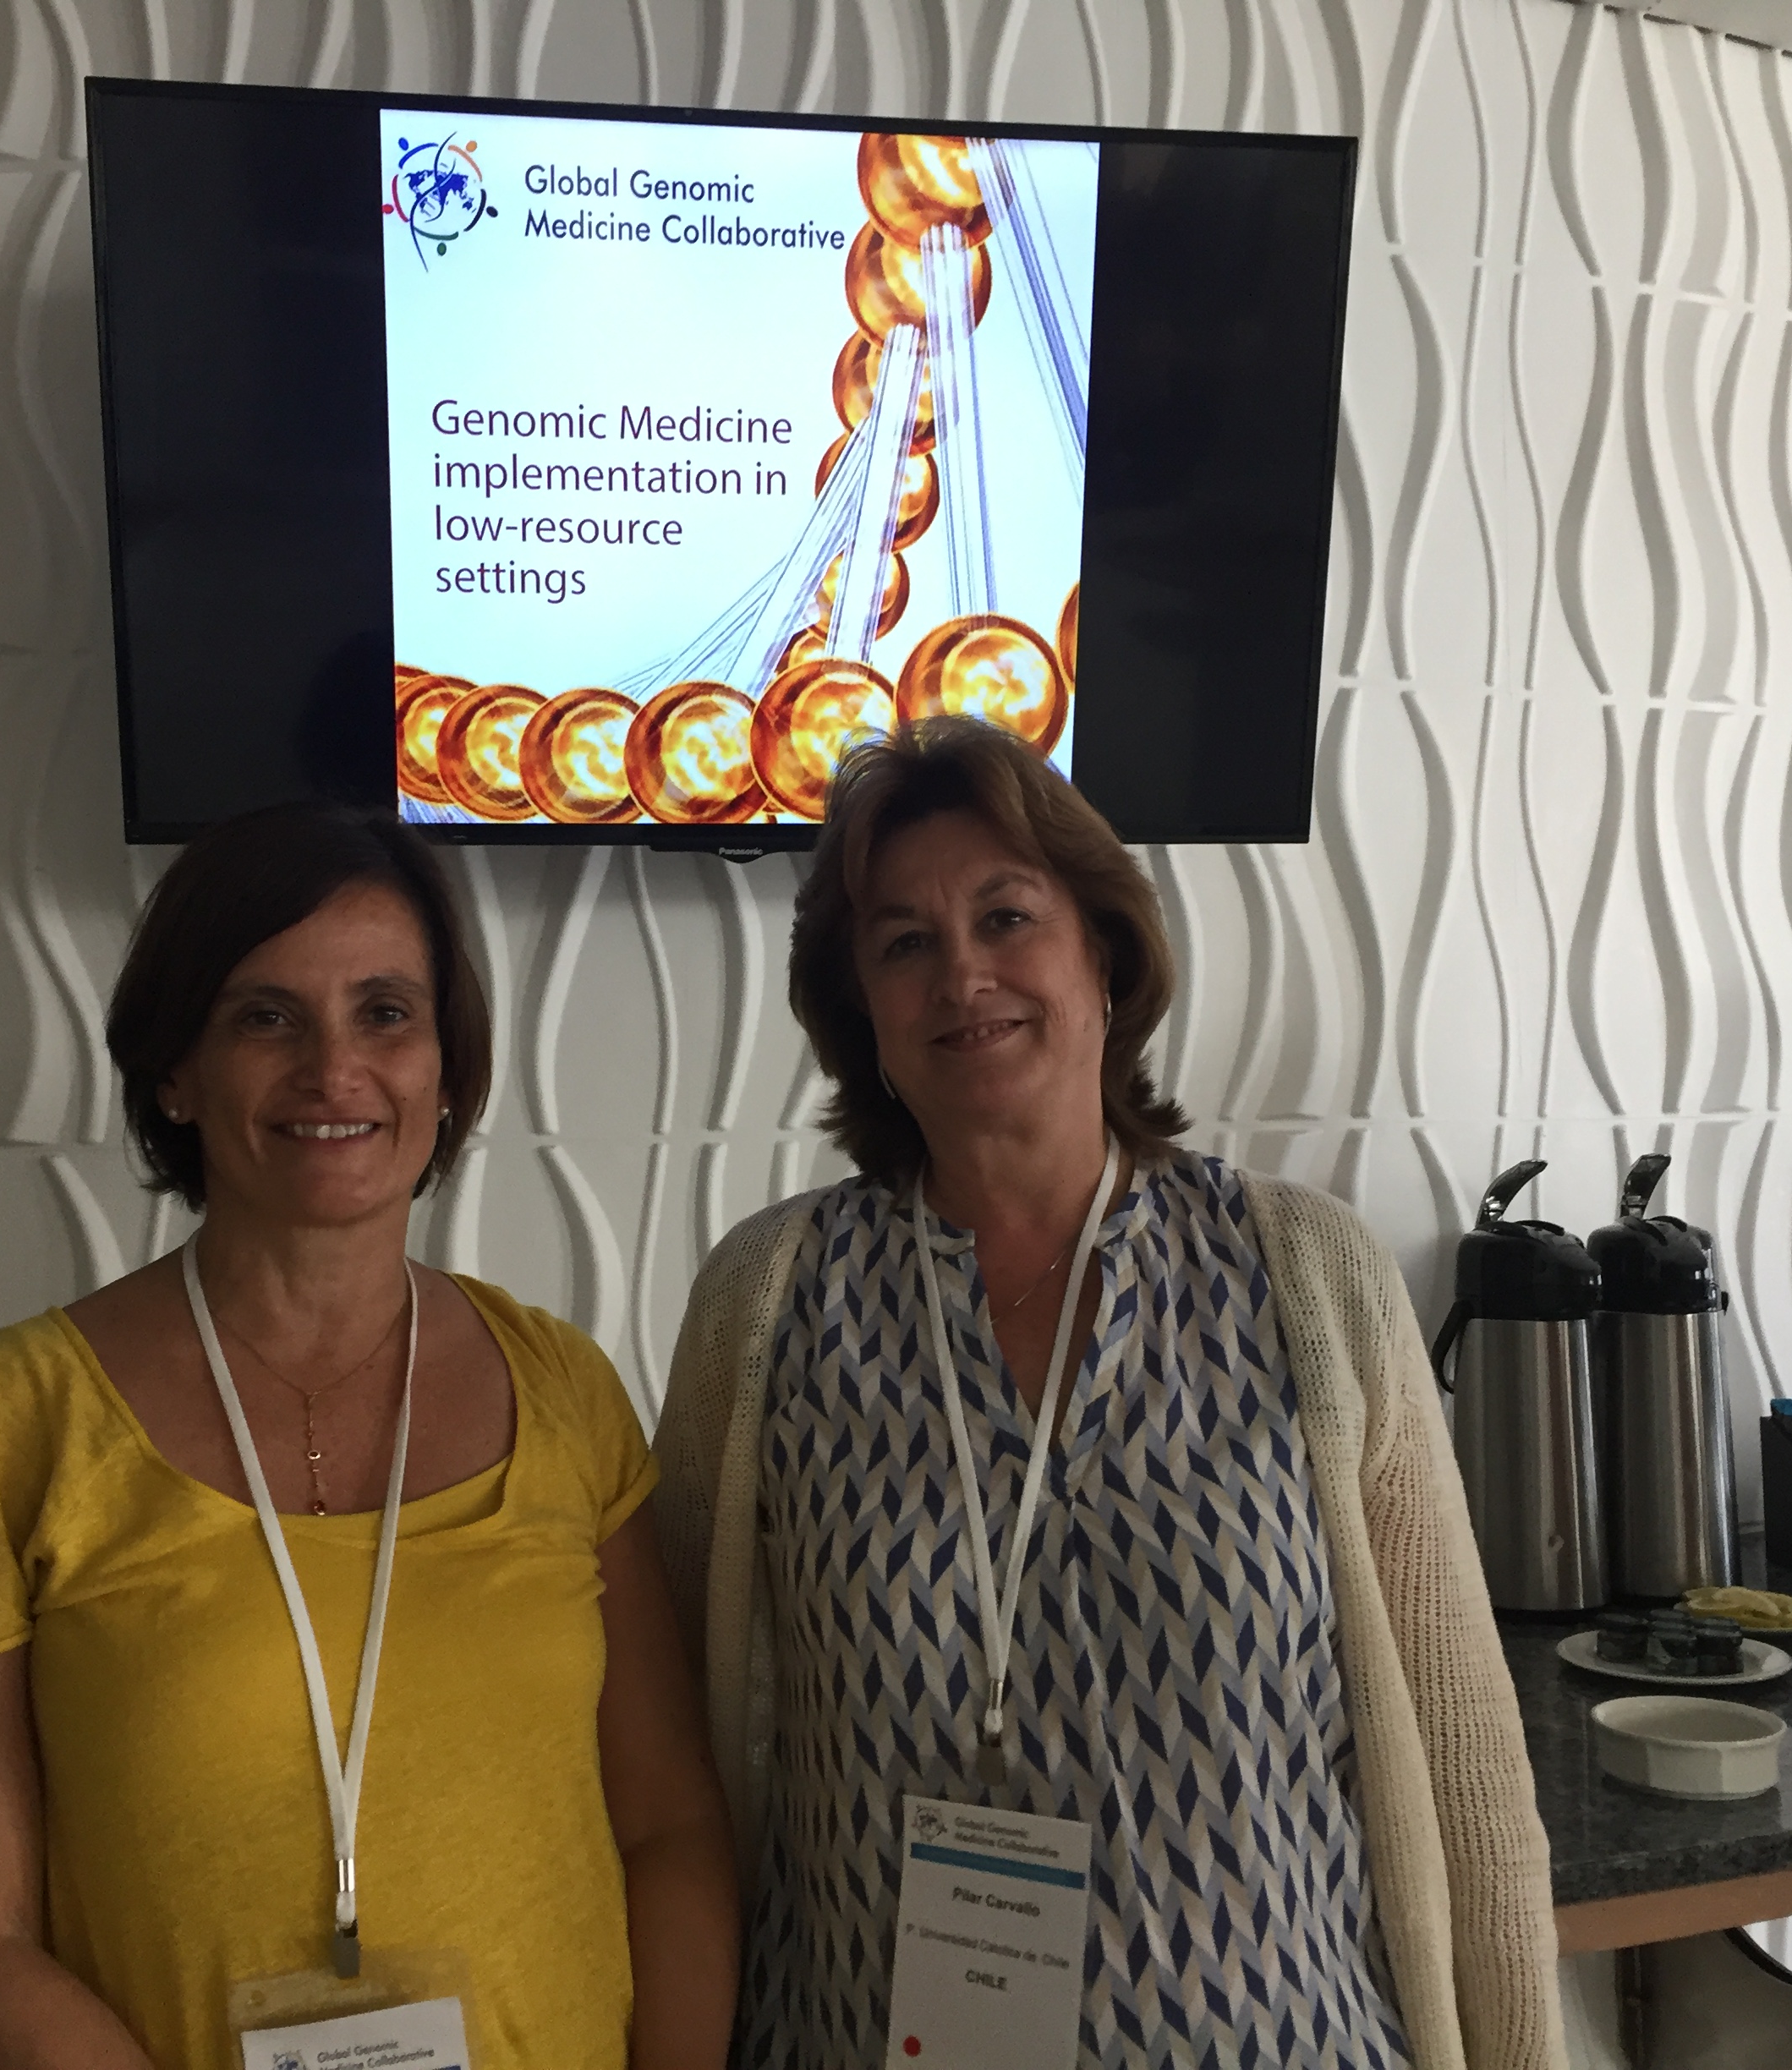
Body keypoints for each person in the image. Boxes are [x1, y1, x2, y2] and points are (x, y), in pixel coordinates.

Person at [652, 718, 1562, 2069]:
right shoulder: (767, 1303)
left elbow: (1463, 1752)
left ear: (1103, 953)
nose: (963, 974)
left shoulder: (1308, 1275)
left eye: (1006, 917)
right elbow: (675, 1766)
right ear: (862, 1010)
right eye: (904, 943)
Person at [0, 802, 736, 2070]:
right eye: (266, 1017)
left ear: (446, 1069)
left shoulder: (565, 1392)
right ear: (176, 1072)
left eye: (386, 1013)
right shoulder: (4, 1425)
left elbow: (669, 1829)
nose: (334, 1069)